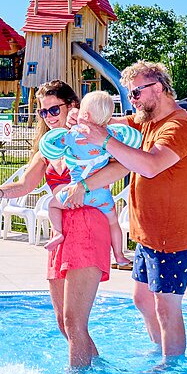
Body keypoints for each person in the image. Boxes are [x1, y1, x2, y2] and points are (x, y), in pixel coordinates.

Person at [75, 61, 187, 359]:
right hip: (148, 235)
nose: (131, 100)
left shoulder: (179, 127)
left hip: (172, 237)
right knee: (142, 299)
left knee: (165, 306)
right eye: (128, 93)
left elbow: (150, 166)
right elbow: (118, 123)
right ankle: (162, 350)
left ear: (158, 88)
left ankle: (173, 366)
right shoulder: (147, 121)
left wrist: (104, 140)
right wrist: (85, 122)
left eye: (135, 93)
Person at [0, 81, 112, 368]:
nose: (49, 117)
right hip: (61, 230)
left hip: (87, 224)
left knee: (73, 322)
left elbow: (117, 159)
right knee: (63, 322)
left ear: (73, 106)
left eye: (54, 109)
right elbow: (24, 185)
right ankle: (99, 373)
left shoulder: (88, 139)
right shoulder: (48, 149)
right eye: (43, 112)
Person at [41, 90, 138, 267]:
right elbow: (131, 138)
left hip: (74, 192)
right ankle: (119, 255)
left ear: (83, 114)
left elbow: (51, 145)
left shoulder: (73, 135)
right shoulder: (110, 136)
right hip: (102, 195)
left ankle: (57, 232)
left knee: (52, 204)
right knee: (113, 222)